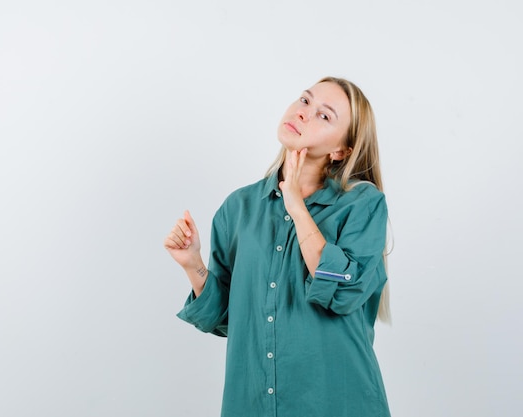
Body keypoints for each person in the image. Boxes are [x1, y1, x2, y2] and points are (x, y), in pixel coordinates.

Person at [164, 76, 392, 417]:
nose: (304, 113)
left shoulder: (362, 204)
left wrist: (296, 206)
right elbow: (229, 318)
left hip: (338, 403)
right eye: (304, 100)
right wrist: (192, 263)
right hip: (252, 404)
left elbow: (342, 293)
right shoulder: (238, 208)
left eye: (324, 115)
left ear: (340, 150)